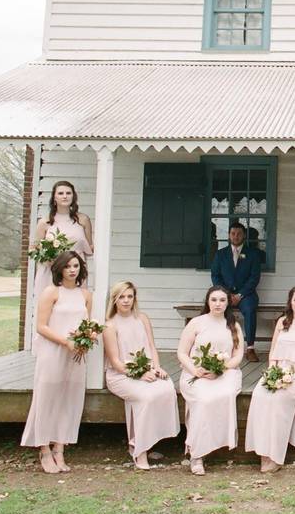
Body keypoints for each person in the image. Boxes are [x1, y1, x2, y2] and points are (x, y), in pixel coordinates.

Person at [20, 250, 93, 474]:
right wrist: (65, 342)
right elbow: (41, 326)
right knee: (47, 397)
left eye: (76, 266)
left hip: (76, 354)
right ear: (59, 268)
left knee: (69, 398)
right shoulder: (51, 292)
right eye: (68, 266)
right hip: (53, 350)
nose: (72, 270)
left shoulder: (85, 295)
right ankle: (44, 448)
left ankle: (60, 448)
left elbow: (86, 324)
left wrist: (88, 336)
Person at [245, 284, 295, 472]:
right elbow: (273, 353)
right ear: (290, 301)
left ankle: (275, 455)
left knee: (278, 400)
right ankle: (263, 451)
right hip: (279, 370)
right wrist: (272, 374)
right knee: (260, 395)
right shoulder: (282, 322)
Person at [103, 280, 180, 470]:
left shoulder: (142, 318)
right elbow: (115, 362)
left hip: (146, 371)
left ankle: (144, 441)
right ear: (114, 300)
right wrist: (139, 374)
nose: (126, 301)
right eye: (122, 297)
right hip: (120, 376)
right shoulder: (109, 326)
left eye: (130, 296)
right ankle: (140, 451)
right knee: (146, 396)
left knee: (166, 387)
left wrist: (156, 367)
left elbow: (152, 347)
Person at [176, 286, 244, 475]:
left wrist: (220, 368)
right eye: (214, 300)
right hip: (196, 373)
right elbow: (182, 352)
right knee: (203, 399)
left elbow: (238, 355)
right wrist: (195, 370)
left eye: (222, 300)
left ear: (227, 303)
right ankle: (197, 454)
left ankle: (216, 441)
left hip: (225, 372)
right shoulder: (196, 323)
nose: (218, 304)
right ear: (207, 301)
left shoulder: (233, 325)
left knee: (225, 394)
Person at [31, 181, 93, 329]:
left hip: (75, 271)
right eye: (60, 193)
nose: (65, 196)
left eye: (68, 193)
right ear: (54, 198)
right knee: (51, 311)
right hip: (51, 271)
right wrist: (49, 260)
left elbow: (90, 247)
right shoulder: (45, 222)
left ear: (73, 196)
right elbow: (34, 249)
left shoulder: (83, 220)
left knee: (75, 308)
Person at [210, 221, 262, 362]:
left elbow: (254, 277)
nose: (236, 236)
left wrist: (239, 295)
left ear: (244, 235)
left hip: (246, 295)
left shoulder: (252, 254)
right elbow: (215, 275)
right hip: (225, 295)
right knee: (216, 309)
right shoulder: (220, 254)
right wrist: (225, 294)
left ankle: (250, 348)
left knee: (250, 309)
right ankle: (220, 348)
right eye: (233, 233)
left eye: (239, 234)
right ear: (229, 235)